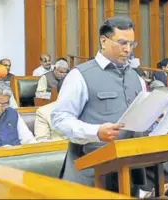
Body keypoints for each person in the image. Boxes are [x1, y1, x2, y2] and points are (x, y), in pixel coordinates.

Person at [51, 17, 145, 196]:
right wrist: (95, 132)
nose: (128, 49)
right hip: (90, 175)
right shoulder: (80, 75)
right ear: (103, 41)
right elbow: (59, 120)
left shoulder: (136, 78)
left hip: (127, 174)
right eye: (122, 43)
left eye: (132, 44)